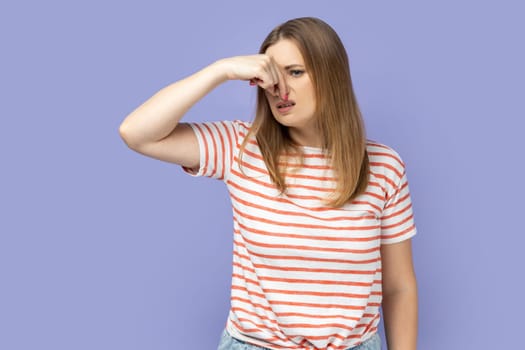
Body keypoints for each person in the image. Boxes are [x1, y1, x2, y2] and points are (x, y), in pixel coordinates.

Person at [119, 17, 417, 350]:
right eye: (271, 75)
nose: (280, 88)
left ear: (331, 75)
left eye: (295, 72)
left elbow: (398, 287)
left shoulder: (384, 166)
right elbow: (136, 133)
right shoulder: (239, 147)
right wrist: (221, 70)